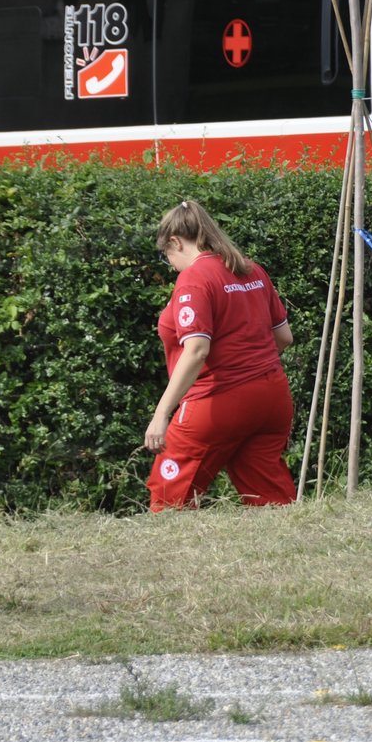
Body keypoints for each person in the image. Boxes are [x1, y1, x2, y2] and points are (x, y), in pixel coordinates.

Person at [145, 200, 298, 510]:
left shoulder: (194, 278)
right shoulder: (251, 269)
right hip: (272, 396)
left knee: (169, 495)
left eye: (167, 256)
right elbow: (284, 337)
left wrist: (162, 414)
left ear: (176, 241)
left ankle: (173, 554)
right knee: (269, 496)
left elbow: (197, 350)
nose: (171, 263)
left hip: (217, 400)